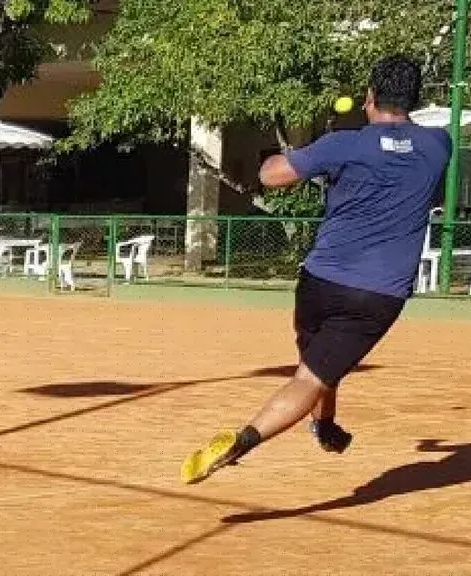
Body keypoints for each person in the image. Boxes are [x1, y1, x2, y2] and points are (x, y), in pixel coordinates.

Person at [180, 55, 453, 485]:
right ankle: (243, 440)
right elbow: (401, 148)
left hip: (320, 281)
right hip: (378, 294)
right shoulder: (439, 145)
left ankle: (325, 425)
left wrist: (304, 157)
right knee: (313, 375)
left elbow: (270, 176)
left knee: (319, 362)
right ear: (414, 100)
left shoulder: (343, 144)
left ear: (369, 97)